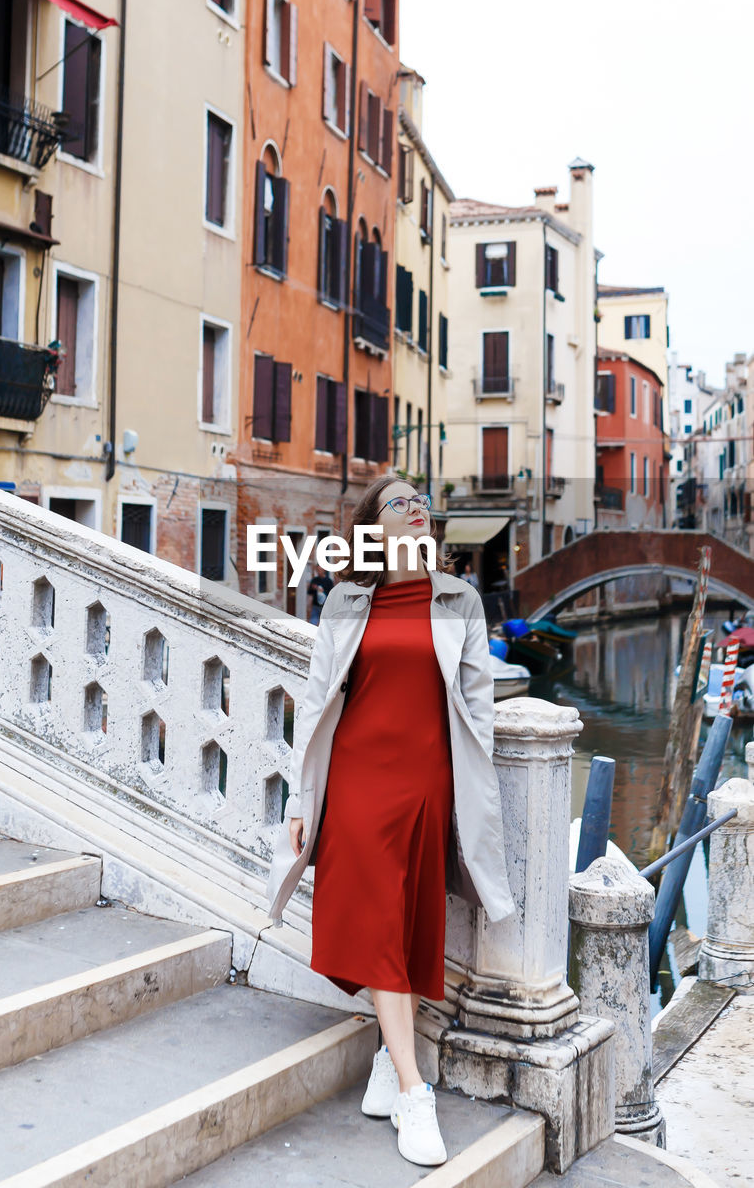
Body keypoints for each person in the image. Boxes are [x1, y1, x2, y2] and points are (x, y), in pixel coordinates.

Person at [264, 476, 516, 1169]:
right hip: (355, 783)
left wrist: (471, 792)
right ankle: (413, 1087)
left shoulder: (456, 599)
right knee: (377, 919)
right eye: (398, 502)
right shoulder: (347, 601)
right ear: (373, 526)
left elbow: (476, 703)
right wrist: (297, 801)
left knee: (404, 924)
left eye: (420, 502)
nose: (415, 508)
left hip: (426, 786)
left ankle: (386, 1059)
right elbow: (316, 702)